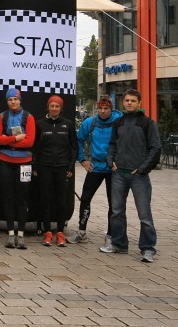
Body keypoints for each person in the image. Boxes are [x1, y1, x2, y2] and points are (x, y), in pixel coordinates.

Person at [100, 89, 161, 263]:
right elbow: (112, 145)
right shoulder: (118, 123)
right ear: (123, 102)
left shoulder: (147, 123)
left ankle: (147, 248)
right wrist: (110, 161)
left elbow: (155, 148)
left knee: (145, 215)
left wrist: (142, 168)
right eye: (127, 100)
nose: (129, 103)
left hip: (138, 176)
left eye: (133, 100)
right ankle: (119, 244)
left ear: (139, 103)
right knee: (117, 212)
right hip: (119, 174)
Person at [70, 95, 122, 246]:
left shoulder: (119, 122)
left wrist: (120, 161)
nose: (103, 111)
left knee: (113, 203)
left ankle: (111, 234)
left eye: (106, 108)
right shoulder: (90, 122)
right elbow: (78, 141)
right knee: (85, 198)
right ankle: (81, 232)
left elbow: (126, 142)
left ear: (111, 109)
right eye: (100, 108)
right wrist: (83, 160)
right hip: (96, 166)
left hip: (113, 169)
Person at [0, 88, 36, 249]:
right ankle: (11, 234)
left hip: (24, 162)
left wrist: (7, 140)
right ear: (7, 101)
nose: (13, 102)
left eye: (15, 99)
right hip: (5, 161)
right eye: (10, 99)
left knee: (22, 199)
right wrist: (16, 138)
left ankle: (21, 235)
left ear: (20, 100)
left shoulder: (28, 117)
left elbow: (30, 141)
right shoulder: (2, 116)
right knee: (8, 198)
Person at [34, 95, 78, 247]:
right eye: (52, 106)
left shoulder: (68, 124)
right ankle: (47, 232)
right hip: (44, 167)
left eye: (57, 106)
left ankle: (60, 233)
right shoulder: (40, 124)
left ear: (61, 108)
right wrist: (35, 167)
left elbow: (74, 147)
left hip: (62, 167)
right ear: (48, 107)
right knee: (45, 199)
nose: (54, 109)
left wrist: (70, 167)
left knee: (61, 200)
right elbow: (34, 148)